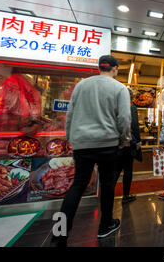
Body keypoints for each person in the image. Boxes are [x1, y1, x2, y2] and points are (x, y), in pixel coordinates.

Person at [50, 55, 131, 247]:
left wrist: (71, 137)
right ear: (115, 69)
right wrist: (123, 139)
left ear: (99, 67)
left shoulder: (81, 85)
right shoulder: (119, 88)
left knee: (77, 186)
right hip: (107, 144)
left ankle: (58, 237)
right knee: (108, 184)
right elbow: (124, 119)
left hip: (82, 144)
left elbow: (70, 115)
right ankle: (105, 225)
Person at [114, 88, 142, 204]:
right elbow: (135, 126)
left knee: (115, 171)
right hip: (127, 144)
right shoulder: (131, 108)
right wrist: (138, 141)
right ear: (131, 98)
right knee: (128, 170)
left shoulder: (115, 107)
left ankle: (107, 194)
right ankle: (126, 196)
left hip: (116, 143)